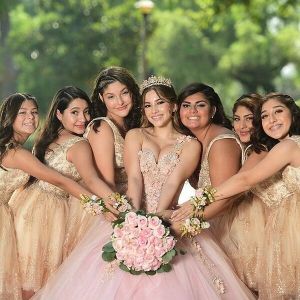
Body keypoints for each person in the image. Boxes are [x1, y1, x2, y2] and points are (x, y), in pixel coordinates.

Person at [33, 76, 255, 300]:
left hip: (168, 216)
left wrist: (157, 221)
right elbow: (135, 178)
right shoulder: (135, 135)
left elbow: (174, 181)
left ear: (173, 106)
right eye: (148, 105)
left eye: (160, 103)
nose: (154, 110)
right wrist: (133, 219)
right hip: (131, 211)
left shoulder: (190, 144)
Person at [10, 87, 117, 298]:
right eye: (74, 112)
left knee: (23, 277)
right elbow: (89, 180)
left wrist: (115, 203)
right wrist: (109, 204)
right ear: (59, 114)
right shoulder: (70, 143)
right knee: (32, 280)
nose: (83, 119)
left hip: (28, 206)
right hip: (43, 215)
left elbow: (92, 179)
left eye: (86, 112)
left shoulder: (56, 140)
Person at [197, 93, 300, 299]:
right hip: (281, 229)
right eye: (265, 116)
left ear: (293, 114)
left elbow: (245, 180)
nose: (272, 120)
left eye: (278, 112)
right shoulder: (284, 144)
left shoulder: (289, 145)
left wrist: (196, 203)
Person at [63, 67, 141, 257]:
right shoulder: (101, 127)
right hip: (110, 205)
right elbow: (106, 182)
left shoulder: (135, 125)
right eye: (111, 96)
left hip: (133, 201)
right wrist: (127, 217)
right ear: (101, 98)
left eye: (124, 93)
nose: (120, 102)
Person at [174, 82, 242, 224]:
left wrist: (184, 223)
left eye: (200, 105)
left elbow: (225, 200)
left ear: (213, 111)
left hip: (230, 221)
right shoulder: (192, 143)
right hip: (210, 218)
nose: (192, 111)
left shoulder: (222, 142)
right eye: (186, 105)